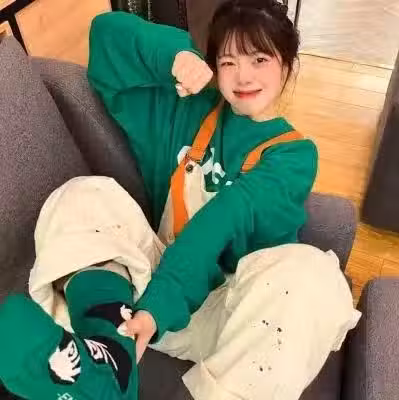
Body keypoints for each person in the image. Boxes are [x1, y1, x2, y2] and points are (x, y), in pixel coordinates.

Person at [0, 1, 361, 399]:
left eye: (260, 59)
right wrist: (174, 56)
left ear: (287, 66)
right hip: (147, 294)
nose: (244, 76)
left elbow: (224, 218)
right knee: (84, 194)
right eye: (228, 61)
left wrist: (158, 307)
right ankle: (111, 364)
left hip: (233, 314)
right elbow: (106, 35)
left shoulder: (294, 155)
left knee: (312, 273)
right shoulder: (186, 106)